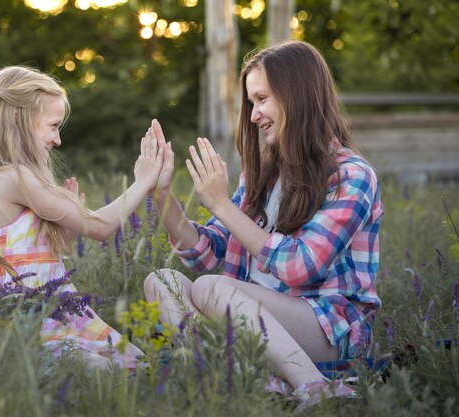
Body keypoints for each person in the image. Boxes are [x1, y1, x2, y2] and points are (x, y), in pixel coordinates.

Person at [144, 41, 383, 409]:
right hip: (256, 322)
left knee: (210, 289)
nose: (254, 115)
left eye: (262, 99)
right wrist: (163, 196)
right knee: (162, 281)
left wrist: (222, 204)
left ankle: (316, 389)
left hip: (326, 329)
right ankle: (229, 378)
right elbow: (208, 257)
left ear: (297, 96)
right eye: (251, 103)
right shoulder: (263, 178)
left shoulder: (351, 176)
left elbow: (300, 267)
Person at [0, 65, 163, 369]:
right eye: (53, 126)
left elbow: (26, 257)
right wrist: (143, 182)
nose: (57, 140)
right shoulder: (14, 180)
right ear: (21, 121)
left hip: (44, 316)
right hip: (26, 327)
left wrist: (60, 231)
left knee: (135, 366)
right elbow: (101, 226)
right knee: (122, 371)